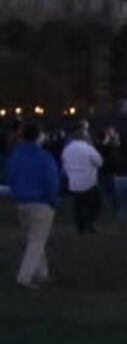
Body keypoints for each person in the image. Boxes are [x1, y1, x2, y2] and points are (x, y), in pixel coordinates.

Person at [7, 121, 60, 287]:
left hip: (22, 202)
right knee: (37, 241)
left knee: (34, 240)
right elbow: (52, 181)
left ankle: (41, 273)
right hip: (42, 202)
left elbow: (11, 178)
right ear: (38, 136)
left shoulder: (15, 156)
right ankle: (25, 276)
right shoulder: (44, 157)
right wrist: (52, 200)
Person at [60, 125, 104, 234]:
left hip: (73, 182)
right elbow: (99, 162)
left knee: (77, 206)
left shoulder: (67, 149)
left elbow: (64, 165)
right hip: (89, 181)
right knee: (94, 203)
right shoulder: (88, 148)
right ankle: (89, 222)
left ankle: (80, 227)